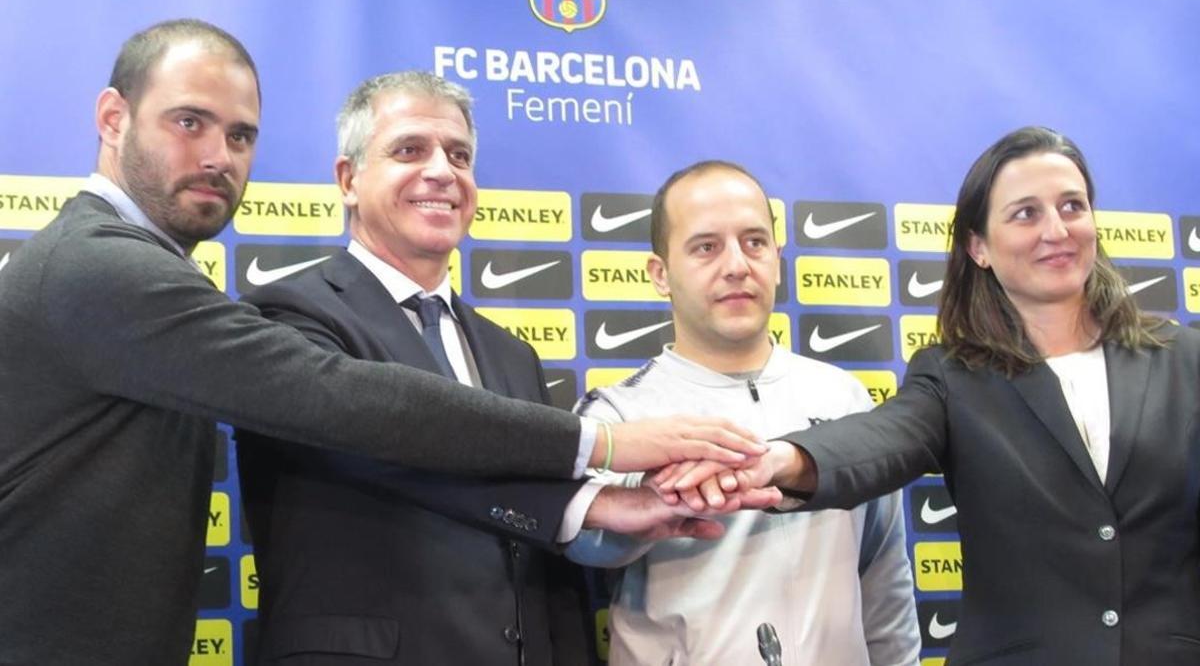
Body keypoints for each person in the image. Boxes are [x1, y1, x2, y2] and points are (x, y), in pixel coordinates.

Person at [0, 20, 765, 666]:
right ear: (112, 117)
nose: (217, 156)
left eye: (239, 135)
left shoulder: (512, 353)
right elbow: (361, 412)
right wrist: (605, 448)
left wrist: (600, 512)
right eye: (188, 121)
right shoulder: (115, 270)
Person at [235, 74, 779, 666]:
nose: (442, 172)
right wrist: (605, 464)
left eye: (459, 155)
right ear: (348, 180)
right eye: (410, 150)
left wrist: (602, 512)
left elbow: (543, 567)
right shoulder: (288, 317)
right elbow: (400, 443)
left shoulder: (512, 356)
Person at [661, 127, 1200, 665]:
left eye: (1072, 206)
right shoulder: (953, 376)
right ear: (979, 247)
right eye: (1026, 214)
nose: (1056, 229)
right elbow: (881, 439)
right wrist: (782, 459)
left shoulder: (1185, 359)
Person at [567, 160, 920, 665]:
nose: (736, 265)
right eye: (706, 247)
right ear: (660, 274)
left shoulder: (845, 398)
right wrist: (649, 507)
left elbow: (885, 581)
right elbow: (584, 548)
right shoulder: (615, 416)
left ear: (777, 260)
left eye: (754, 242)